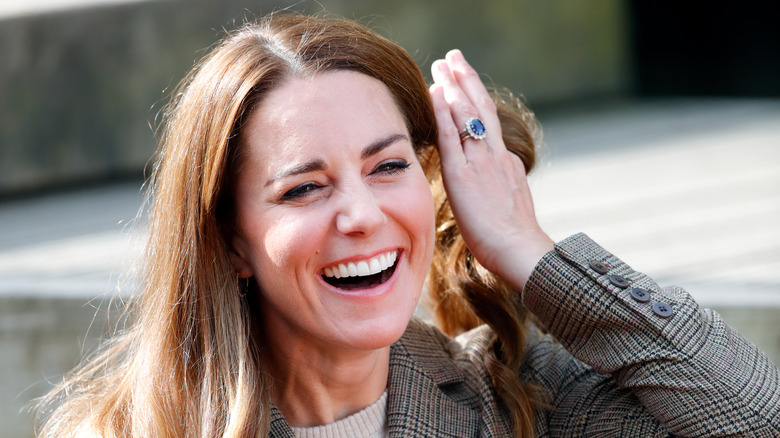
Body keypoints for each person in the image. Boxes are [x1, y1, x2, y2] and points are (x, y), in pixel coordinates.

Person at [36, 12, 779, 437]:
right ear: (230, 240)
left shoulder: (519, 402)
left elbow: (755, 421)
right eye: (304, 188)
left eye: (389, 167)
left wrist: (530, 251)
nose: (362, 216)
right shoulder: (124, 429)